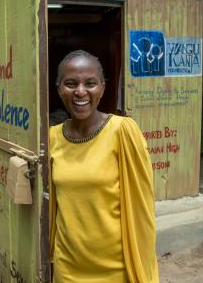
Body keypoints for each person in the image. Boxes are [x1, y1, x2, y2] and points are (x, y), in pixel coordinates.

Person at [49, 50, 159, 282]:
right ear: (59, 88)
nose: (80, 91)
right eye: (71, 83)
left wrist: (142, 267)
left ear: (102, 87)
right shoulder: (52, 138)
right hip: (68, 267)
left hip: (116, 268)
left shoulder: (123, 131)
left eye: (90, 83)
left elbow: (142, 208)